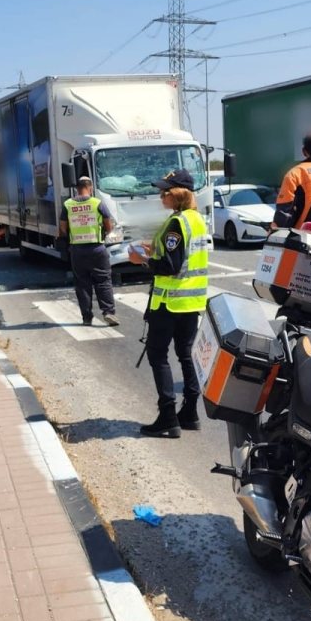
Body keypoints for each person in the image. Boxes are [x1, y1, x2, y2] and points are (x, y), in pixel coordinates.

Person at [129, 169, 209, 438]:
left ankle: (167, 416)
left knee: (157, 355)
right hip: (190, 302)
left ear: (176, 195)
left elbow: (171, 267)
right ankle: (190, 412)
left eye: (164, 192)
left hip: (169, 303)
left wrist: (142, 260)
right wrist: (155, 248)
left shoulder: (176, 223)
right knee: (186, 355)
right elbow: (184, 257)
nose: (160, 196)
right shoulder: (196, 219)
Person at [58, 176, 119, 327]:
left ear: (76, 188)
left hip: (77, 249)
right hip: (97, 248)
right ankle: (108, 312)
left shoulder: (68, 205)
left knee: (82, 283)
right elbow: (108, 224)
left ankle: (86, 317)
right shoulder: (97, 203)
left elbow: (63, 228)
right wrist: (103, 234)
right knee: (103, 280)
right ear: (90, 187)